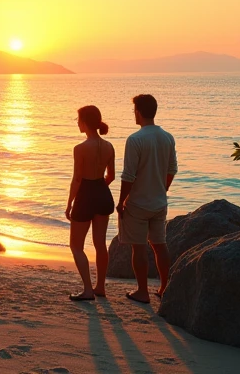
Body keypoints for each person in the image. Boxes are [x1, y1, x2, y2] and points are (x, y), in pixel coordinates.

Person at [117, 94, 178, 303]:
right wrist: (163, 188)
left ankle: (142, 291)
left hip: (138, 203)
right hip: (159, 202)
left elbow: (128, 176)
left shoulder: (135, 139)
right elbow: (172, 170)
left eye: (134, 110)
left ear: (139, 112)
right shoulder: (167, 137)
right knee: (160, 245)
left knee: (139, 247)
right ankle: (164, 287)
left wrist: (121, 201)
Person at [65, 105, 116, 301]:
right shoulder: (109, 146)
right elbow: (110, 176)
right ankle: (100, 287)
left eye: (78, 119)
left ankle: (87, 289)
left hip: (85, 196)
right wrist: (99, 188)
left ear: (85, 122)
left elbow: (77, 179)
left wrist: (69, 203)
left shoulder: (80, 148)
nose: (77, 123)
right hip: (103, 194)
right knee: (100, 244)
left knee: (76, 245)